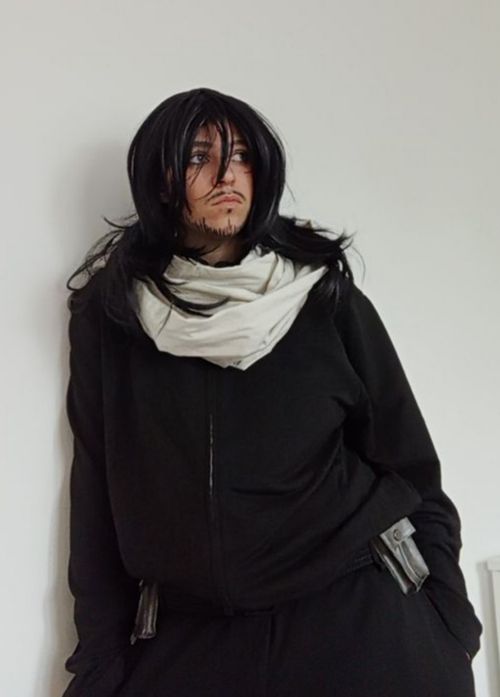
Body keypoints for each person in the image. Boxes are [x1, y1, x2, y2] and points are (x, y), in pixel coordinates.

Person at [62, 87, 483, 697]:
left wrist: (451, 620)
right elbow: (96, 492)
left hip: (360, 619)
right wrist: (100, 664)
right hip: (195, 634)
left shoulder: (324, 299)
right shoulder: (113, 319)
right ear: (160, 183)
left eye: (241, 156)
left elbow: (411, 467)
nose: (226, 175)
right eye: (198, 157)